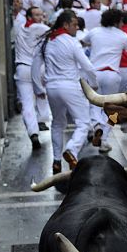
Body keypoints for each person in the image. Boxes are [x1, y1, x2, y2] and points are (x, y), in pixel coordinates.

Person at [32, 10, 98, 173]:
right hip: (70, 86)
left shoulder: (46, 41)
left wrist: (38, 88)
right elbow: (88, 67)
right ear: (66, 25)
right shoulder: (71, 42)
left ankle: (56, 161)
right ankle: (71, 150)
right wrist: (94, 84)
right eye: (75, 24)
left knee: (57, 123)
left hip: (52, 88)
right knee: (83, 123)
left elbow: (35, 66)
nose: (77, 27)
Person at [81, 8, 127, 151]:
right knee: (112, 109)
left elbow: (82, 43)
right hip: (112, 75)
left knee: (94, 105)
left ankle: (96, 125)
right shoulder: (122, 35)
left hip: (95, 73)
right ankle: (104, 139)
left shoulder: (95, 32)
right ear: (116, 21)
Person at [15, 7, 52, 149]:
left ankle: (33, 132)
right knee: (42, 94)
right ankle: (42, 119)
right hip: (37, 68)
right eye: (37, 15)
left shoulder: (20, 27)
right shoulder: (39, 27)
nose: (40, 17)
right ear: (30, 16)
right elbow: (54, 31)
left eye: (40, 14)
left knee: (27, 103)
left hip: (22, 68)